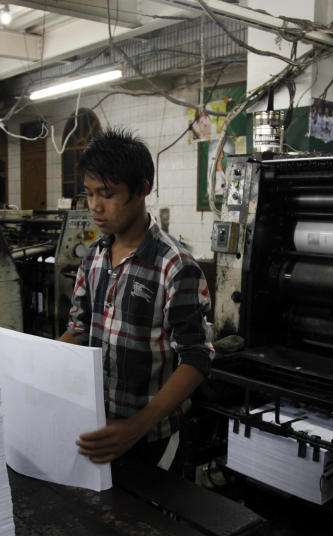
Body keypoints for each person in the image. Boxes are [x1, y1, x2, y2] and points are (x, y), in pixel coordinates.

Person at [59, 128, 214, 474]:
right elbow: (78, 331)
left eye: (107, 194)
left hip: (152, 441)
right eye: (89, 194)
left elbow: (196, 359)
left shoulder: (175, 266)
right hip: (99, 432)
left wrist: (136, 426)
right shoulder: (95, 258)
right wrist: (33, 372)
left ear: (142, 189)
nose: (95, 207)